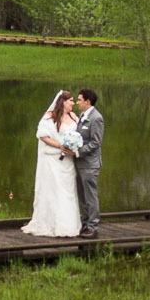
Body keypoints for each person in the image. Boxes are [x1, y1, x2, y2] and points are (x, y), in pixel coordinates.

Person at [20, 89, 82, 237]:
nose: (73, 103)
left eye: (74, 100)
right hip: (52, 161)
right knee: (54, 191)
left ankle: (69, 224)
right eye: (71, 101)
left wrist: (74, 146)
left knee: (67, 192)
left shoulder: (73, 117)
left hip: (68, 161)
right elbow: (42, 136)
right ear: (63, 102)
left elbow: (78, 134)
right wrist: (60, 146)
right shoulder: (49, 118)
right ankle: (50, 224)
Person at [68, 88, 103, 237]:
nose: (77, 102)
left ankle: (93, 226)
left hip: (90, 164)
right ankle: (85, 223)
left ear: (87, 102)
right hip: (80, 163)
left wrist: (77, 152)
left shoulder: (96, 118)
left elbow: (96, 143)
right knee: (82, 196)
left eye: (79, 100)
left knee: (90, 196)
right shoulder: (83, 116)